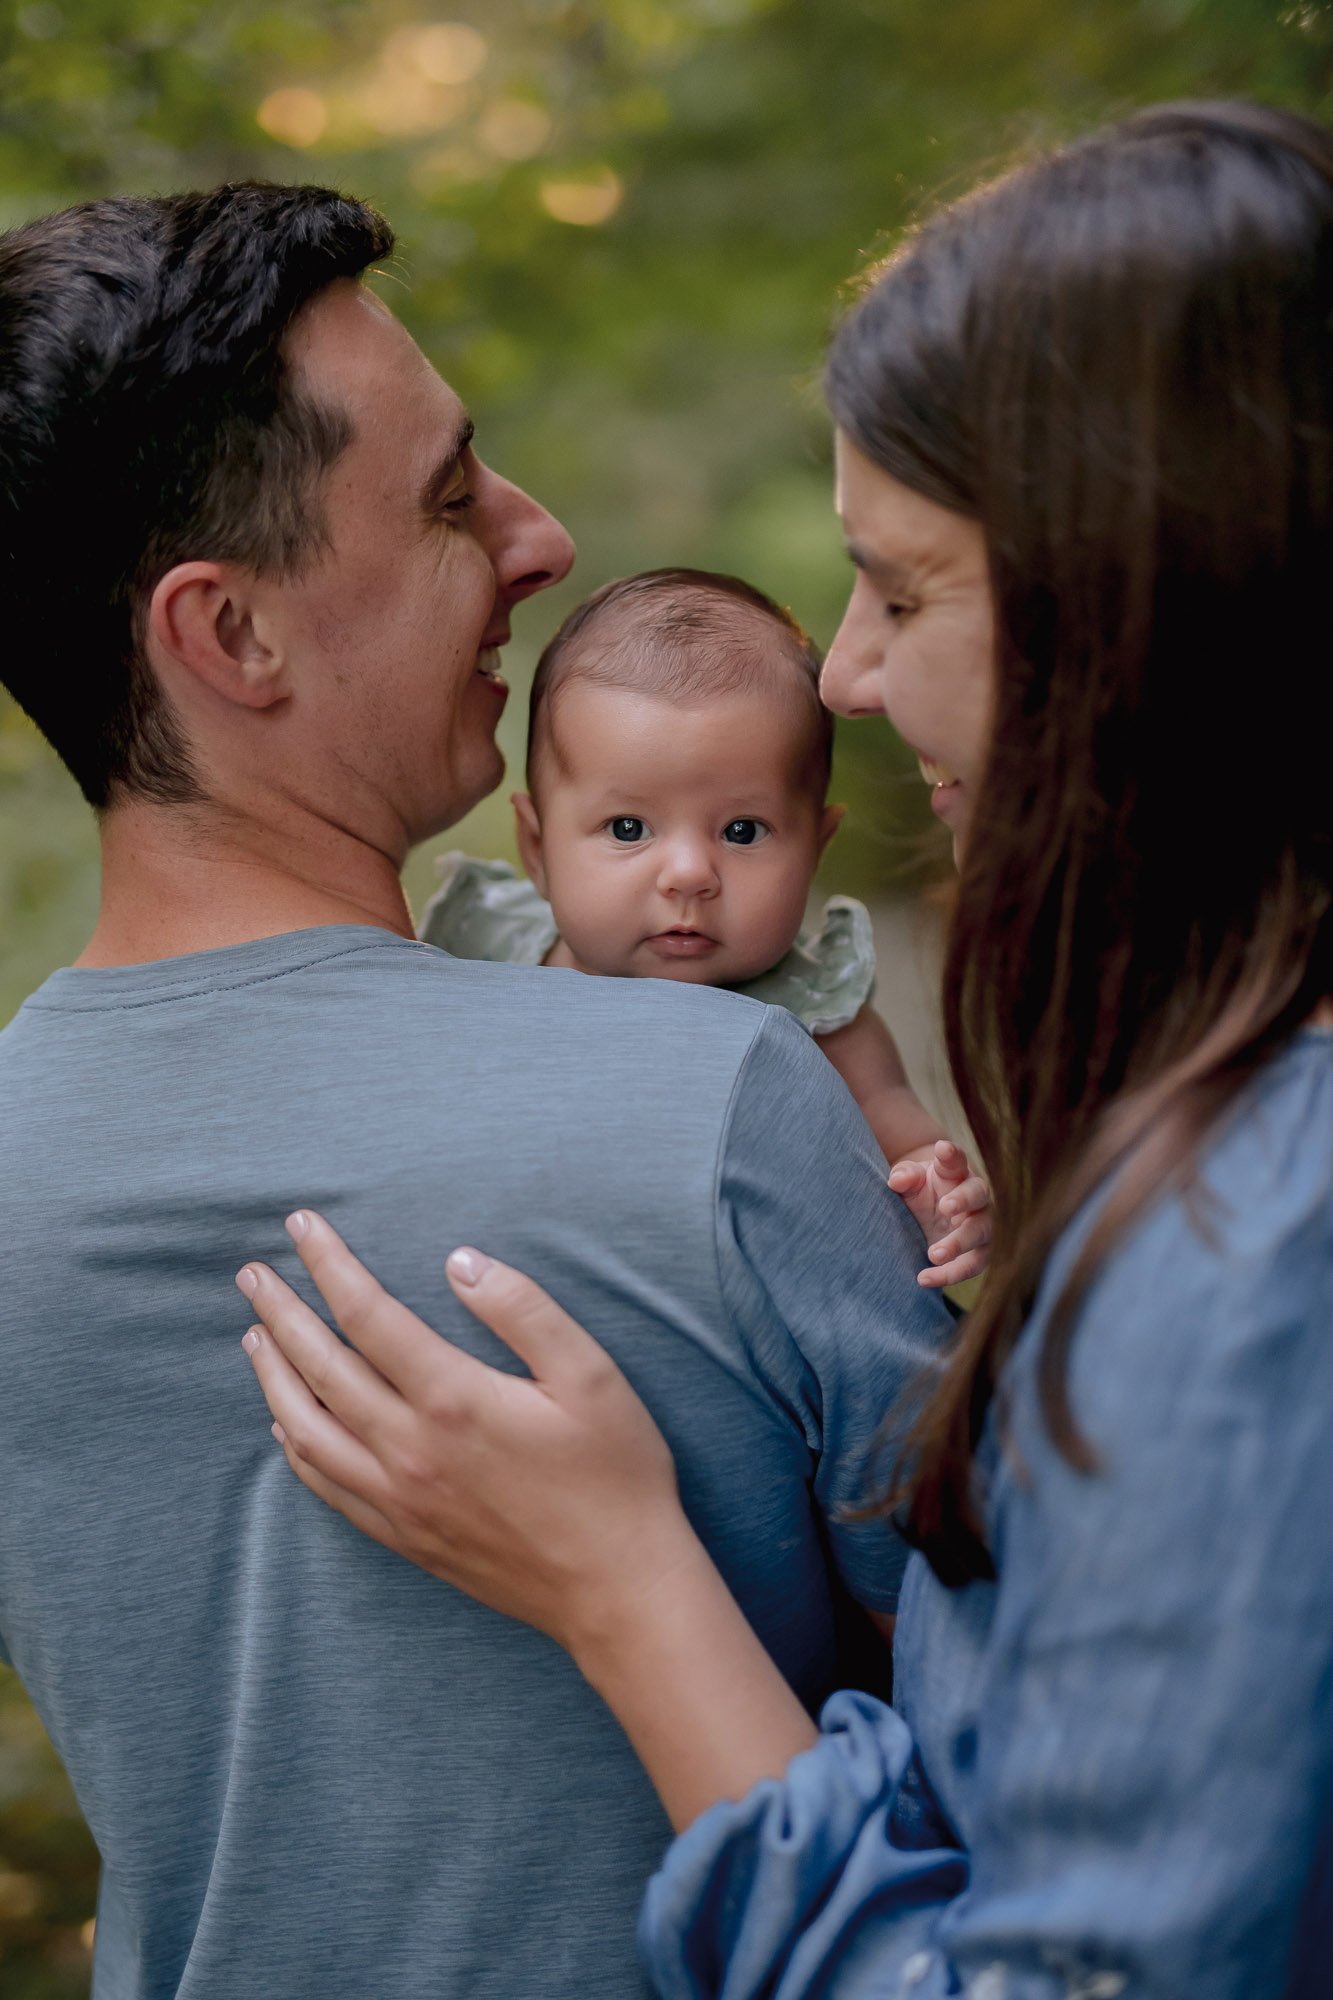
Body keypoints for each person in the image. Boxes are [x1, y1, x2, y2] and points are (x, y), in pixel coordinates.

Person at [237, 100, 1333, 1996]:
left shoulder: (1254, 1251)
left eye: (901, 589)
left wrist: (622, 1584)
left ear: (1149, 610)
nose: (839, 674)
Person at [0, 185, 954, 1999]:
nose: (539, 540)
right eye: (449, 498)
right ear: (231, 639)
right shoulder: (721, 1099)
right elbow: (1050, 1699)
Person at [422, 566, 992, 1286]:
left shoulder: (820, 1017)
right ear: (536, 849)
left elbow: (905, 1141)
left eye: (743, 831)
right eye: (628, 827)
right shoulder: (486, 958)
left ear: (815, 850)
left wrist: (942, 1199)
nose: (689, 873)